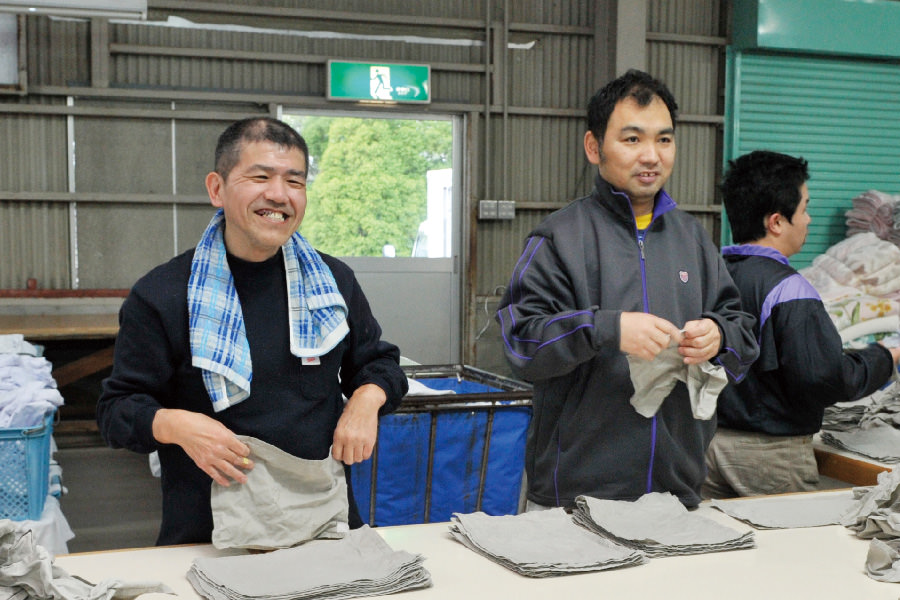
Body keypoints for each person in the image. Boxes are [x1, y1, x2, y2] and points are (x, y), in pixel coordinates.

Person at [97, 117, 408, 545]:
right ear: (216, 189)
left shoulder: (332, 283)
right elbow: (116, 411)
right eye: (259, 176)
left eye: (294, 181)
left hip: (324, 521)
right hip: (208, 530)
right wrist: (176, 425)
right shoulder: (163, 294)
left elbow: (379, 364)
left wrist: (365, 400)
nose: (278, 194)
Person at [496, 69, 758, 511]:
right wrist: (607, 330)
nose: (651, 156)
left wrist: (719, 336)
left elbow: (742, 330)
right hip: (573, 498)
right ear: (594, 147)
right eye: (632, 139)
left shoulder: (692, 238)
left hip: (677, 494)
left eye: (664, 140)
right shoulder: (560, 238)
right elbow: (521, 340)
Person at [704, 149, 900, 498]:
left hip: (706, 447)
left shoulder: (713, 276)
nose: (809, 220)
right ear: (776, 221)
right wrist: (883, 356)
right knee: (789, 549)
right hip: (769, 458)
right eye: (805, 208)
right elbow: (823, 378)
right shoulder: (789, 289)